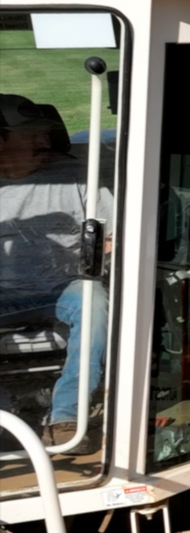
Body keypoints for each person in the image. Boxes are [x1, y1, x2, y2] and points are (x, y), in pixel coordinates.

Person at [0, 93, 111, 449]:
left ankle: (66, 416)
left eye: (45, 133)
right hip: (5, 296)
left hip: (61, 289)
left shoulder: (77, 177)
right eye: (30, 135)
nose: (43, 141)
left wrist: (103, 255)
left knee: (92, 299)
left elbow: (114, 234)